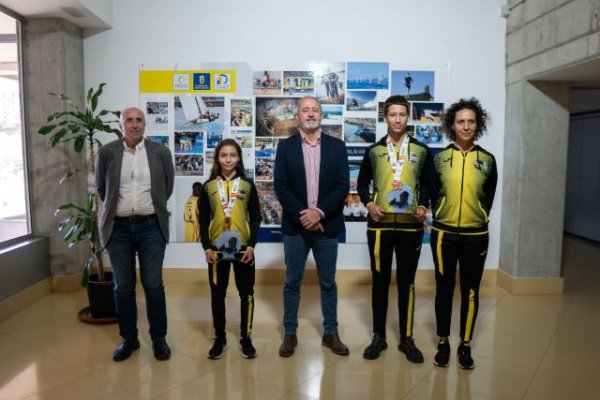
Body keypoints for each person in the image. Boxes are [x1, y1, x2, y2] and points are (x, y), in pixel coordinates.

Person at [357, 95, 435, 361]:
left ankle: (407, 339)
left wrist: (424, 205)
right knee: (380, 282)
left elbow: (427, 185)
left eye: (402, 114)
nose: (398, 119)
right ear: (385, 117)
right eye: (393, 115)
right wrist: (369, 204)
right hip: (379, 226)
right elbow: (361, 183)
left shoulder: (422, 150)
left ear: (408, 117)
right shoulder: (374, 150)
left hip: (410, 227)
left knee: (407, 283)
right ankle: (379, 337)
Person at [95, 107, 175, 362]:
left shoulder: (160, 152)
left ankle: (159, 338)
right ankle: (129, 339)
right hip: (118, 230)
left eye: (139, 120)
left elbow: (167, 187)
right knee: (123, 288)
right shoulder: (107, 153)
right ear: (121, 125)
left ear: (145, 124)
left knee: (154, 286)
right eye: (129, 120)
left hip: (151, 227)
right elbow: (101, 188)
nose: (134, 124)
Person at [274, 96, 350, 357]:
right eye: (304, 110)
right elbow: (281, 186)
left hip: (327, 226)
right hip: (295, 228)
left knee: (328, 282)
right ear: (297, 116)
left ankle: (331, 333)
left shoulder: (337, 147)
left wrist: (318, 213)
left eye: (314, 110)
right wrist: (303, 216)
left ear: (321, 115)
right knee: (292, 281)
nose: (310, 114)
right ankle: (290, 333)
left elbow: (342, 186)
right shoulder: (285, 148)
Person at [430, 98, 497, 370]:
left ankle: (465, 345)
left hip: (475, 235)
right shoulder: (440, 159)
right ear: (452, 125)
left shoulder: (487, 160)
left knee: (470, 291)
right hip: (444, 235)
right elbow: (434, 195)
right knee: (444, 289)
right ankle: (444, 342)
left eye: (471, 121)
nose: (466, 126)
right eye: (461, 121)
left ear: (477, 125)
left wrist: (477, 214)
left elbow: (488, 198)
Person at [198, 138, 262, 360]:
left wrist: (252, 245)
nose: (228, 159)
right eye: (223, 155)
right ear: (217, 158)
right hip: (216, 250)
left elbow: (255, 218)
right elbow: (203, 221)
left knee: (247, 294)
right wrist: (206, 248)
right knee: (218, 294)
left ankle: (246, 338)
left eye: (232, 155)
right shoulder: (208, 187)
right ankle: (220, 338)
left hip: (243, 249)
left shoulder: (247, 185)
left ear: (238, 158)